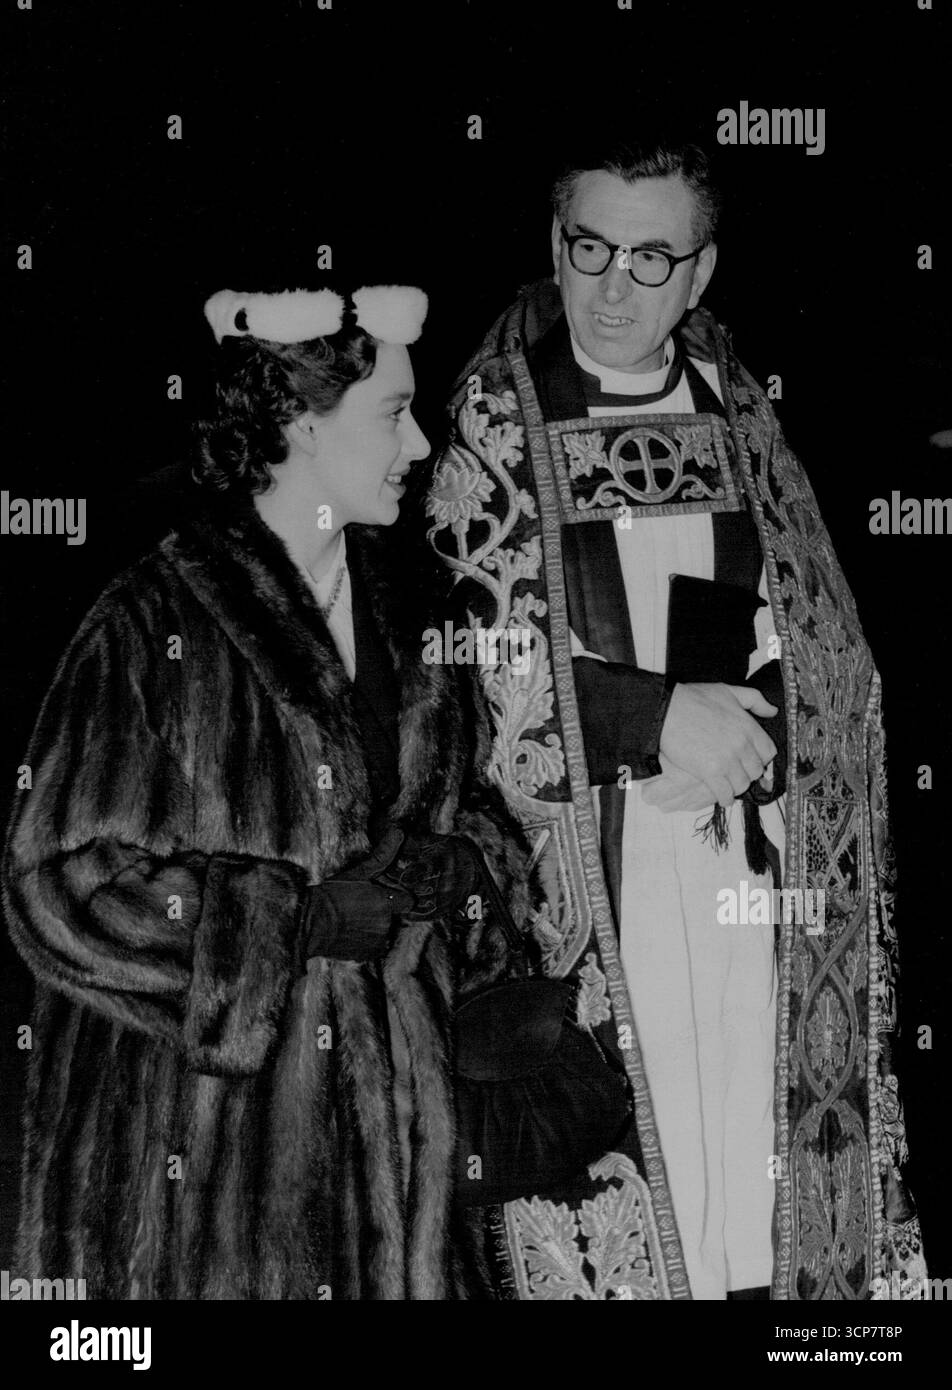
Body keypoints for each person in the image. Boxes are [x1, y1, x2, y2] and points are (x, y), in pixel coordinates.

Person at [428, 139, 925, 1300]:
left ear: (701, 274)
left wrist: (755, 728)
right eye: (589, 249)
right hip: (589, 870)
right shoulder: (494, 420)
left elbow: (824, 642)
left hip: (742, 854)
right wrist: (651, 718)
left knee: (756, 1196)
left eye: (652, 259)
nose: (612, 289)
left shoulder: (735, 406)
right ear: (555, 248)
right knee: (640, 1194)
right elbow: (453, 674)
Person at [2, 281, 532, 1300]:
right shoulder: (152, 620)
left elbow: (474, 816)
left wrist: (459, 868)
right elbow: (56, 880)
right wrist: (292, 922)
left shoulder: (410, 613)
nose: (420, 445)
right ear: (297, 423)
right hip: (201, 1177)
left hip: (399, 1160)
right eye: (390, 414)